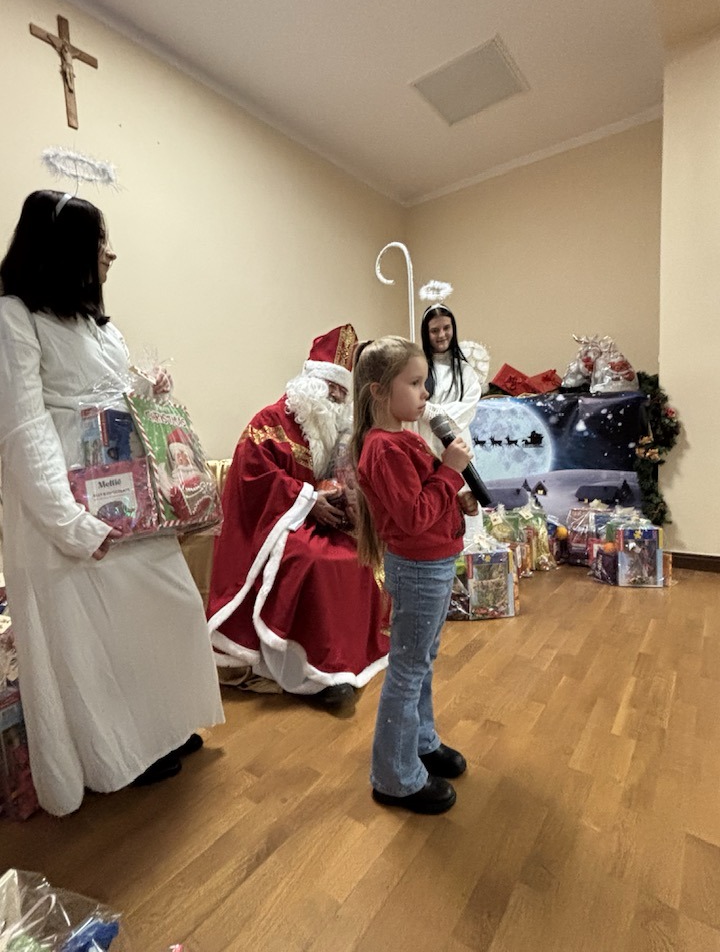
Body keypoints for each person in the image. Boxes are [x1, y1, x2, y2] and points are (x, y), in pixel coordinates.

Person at [0, 190, 224, 816]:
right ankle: (124, 754)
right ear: (65, 249)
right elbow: (24, 429)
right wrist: (68, 523)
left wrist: (144, 388)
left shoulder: (98, 324)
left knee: (171, 606)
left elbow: (111, 401)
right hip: (71, 511)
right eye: (99, 241)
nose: (110, 254)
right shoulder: (15, 317)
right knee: (100, 638)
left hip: (131, 501)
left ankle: (168, 725)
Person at [207, 324, 390, 709]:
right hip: (277, 524)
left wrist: (343, 500)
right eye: (330, 388)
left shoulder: (337, 432)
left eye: (342, 392)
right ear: (310, 383)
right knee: (315, 561)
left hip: (317, 520)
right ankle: (307, 674)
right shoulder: (268, 422)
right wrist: (307, 500)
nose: (336, 398)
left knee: (355, 556)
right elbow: (253, 477)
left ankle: (341, 660)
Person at [351, 335, 478, 814]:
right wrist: (449, 472)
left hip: (434, 563)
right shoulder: (383, 448)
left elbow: (424, 497)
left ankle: (420, 743)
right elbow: (413, 517)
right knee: (407, 670)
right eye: (415, 383)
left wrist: (455, 494)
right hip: (420, 569)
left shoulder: (403, 439)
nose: (426, 393)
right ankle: (394, 776)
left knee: (421, 661)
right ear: (379, 391)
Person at [417, 302, 481, 454]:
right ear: (426, 333)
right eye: (434, 330)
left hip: (458, 445)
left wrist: (430, 412)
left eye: (446, 328)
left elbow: (466, 410)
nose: (441, 335)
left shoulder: (465, 371)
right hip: (425, 444)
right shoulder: (417, 368)